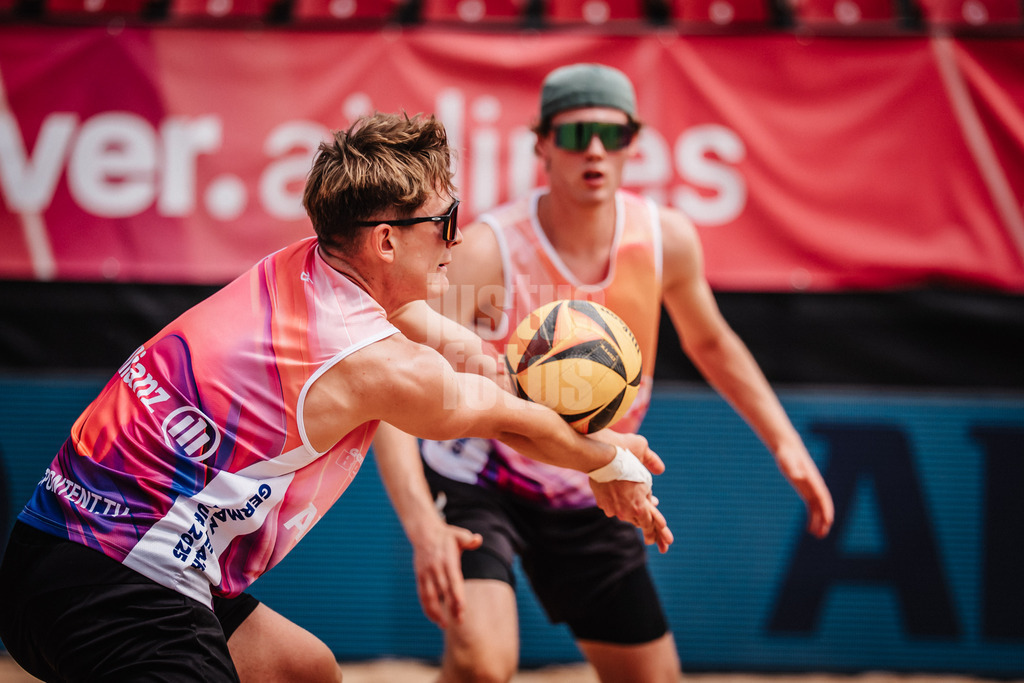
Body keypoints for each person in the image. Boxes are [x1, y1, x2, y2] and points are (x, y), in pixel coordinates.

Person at [0, 111, 673, 683]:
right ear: (385, 239)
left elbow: (479, 365)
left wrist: (602, 438)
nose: (458, 238)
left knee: (306, 671)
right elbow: (506, 416)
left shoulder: (314, 266)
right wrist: (608, 461)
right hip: (110, 583)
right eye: (446, 220)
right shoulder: (371, 363)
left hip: (62, 546)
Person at [372, 64, 836, 683]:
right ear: (541, 145)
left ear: (632, 145)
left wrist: (785, 442)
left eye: (610, 135)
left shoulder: (664, 239)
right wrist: (423, 525)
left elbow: (713, 344)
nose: (593, 149)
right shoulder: (491, 249)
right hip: (481, 476)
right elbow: (393, 383)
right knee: (484, 664)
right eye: (573, 134)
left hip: (592, 475)